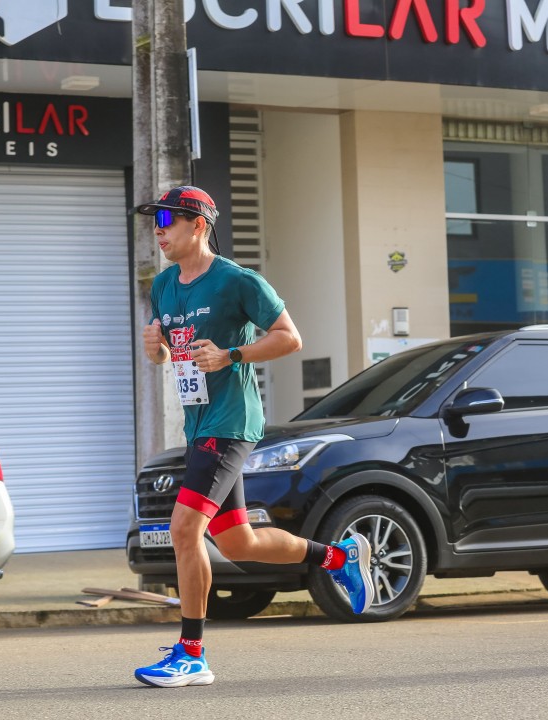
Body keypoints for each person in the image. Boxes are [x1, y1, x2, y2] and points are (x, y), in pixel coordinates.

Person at [132, 186, 374, 688]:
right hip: (199, 424)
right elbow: (170, 356)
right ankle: (340, 556)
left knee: (184, 530)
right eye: (154, 221)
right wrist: (155, 349)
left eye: (167, 220)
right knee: (238, 542)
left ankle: (191, 655)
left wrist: (231, 355)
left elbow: (290, 337)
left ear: (199, 225)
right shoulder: (164, 285)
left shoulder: (237, 281)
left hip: (231, 421)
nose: (157, 229)